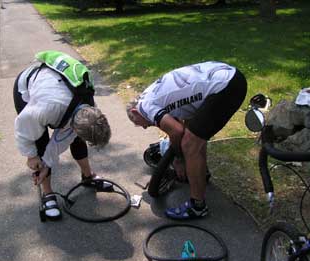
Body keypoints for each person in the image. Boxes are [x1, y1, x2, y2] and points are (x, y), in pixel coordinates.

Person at [126, 61, 247, 220]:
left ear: (135, 111)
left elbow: (177, 131)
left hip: (224, 87)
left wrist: (179, 159)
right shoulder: (150, 94)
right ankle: (201, 174)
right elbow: (180, 124)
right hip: (229, 76)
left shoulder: (144, 106)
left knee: (190, 144)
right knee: (194, 135)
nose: (143, 127)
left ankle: (197, 207)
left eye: (137, 122)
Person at [13, 50, 111, 221]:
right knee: (40, 142)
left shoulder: (90, 106)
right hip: (29, 87)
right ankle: (48, 194)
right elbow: (23, 127)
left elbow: (61, 141)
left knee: (77, 140)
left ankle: (87, 176)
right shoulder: (44, 110)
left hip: (58, 89)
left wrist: (48, 162)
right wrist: (32, 156)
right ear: (73, 125)